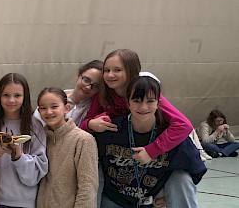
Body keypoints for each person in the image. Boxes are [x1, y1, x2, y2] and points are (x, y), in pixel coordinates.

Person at [82, 49, 196, 207]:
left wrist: (152, 150)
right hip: (119, 162)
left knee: (180, 177)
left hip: (152, 157)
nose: (110, 75)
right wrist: (90, 124)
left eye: (117, 70)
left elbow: (183, 125)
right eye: (106, 70)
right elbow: (83, 124)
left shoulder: (147, 92)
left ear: (131, 71)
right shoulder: (103, 95)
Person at [95, 77, 206, 208]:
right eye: (136, 101)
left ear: (158, 103)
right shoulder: (110, 129)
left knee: (182, 177)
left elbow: (195, 170)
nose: (143, 107)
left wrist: (166, 194)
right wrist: (88, 124)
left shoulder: (172, 136)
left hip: (155, 198)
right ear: (127, 103)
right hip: (117, 198)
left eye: (150, 101)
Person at [0, 73, 47, 208]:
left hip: (23, 202)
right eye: (6, 95)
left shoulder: (35, 126)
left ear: (25, 97)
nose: (11, 100)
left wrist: (18, 156)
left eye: (17, 95)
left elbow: (36, 174)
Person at [35, 87, 98, 208]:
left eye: (54, 107)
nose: (48, 112)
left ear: (66, 108)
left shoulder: (83, 140)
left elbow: (88, 186)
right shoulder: (39, 138)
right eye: (43, 108)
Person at [34, 60, 103, 127]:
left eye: (96, 86)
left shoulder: (94, 109)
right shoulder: (54, 97)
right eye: (86, 80)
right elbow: (36, 123)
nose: (88, 87)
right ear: (78, 76)